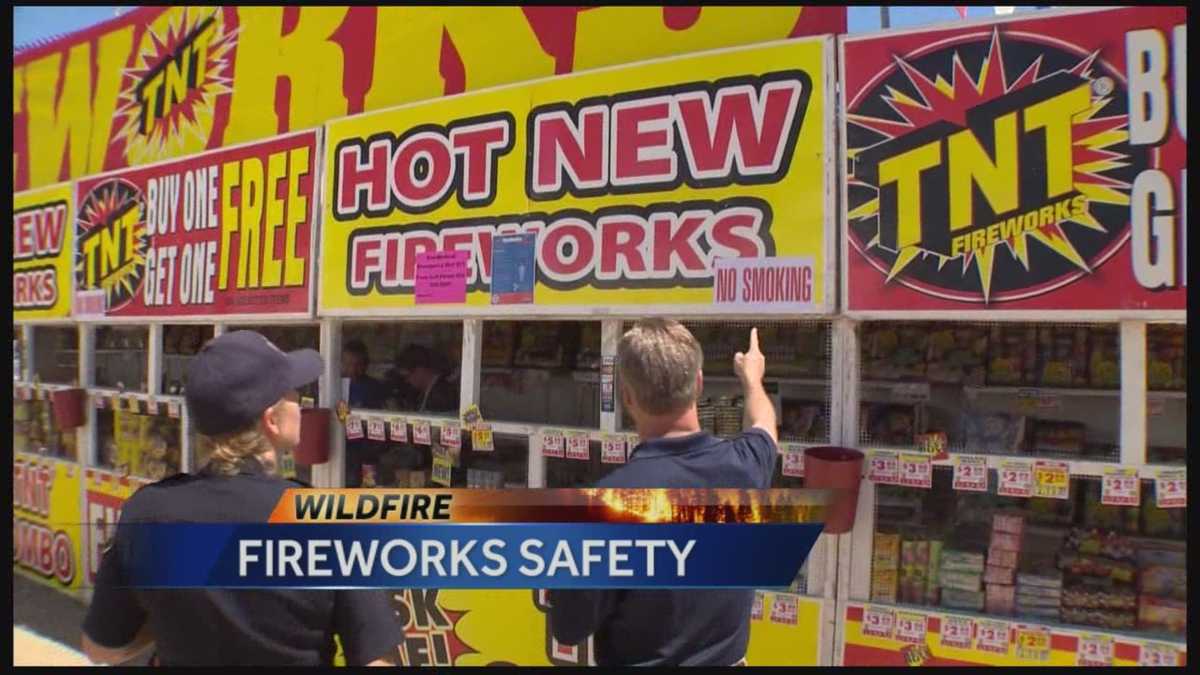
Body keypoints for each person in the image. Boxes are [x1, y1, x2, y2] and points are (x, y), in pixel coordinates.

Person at [81, 331, 401, 666]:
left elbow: (102, 648)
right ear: (272, 420)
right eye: (294, 392)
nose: (302, 401)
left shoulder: (148, 513)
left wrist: (166, 623)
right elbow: (377, 659)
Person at [547, 320, 778, 666]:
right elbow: (764, 426)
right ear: (698, 384)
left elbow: (568, 628)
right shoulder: (744, 467)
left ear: (627, 397)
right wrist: (752, 381)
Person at [342, 340, 390, 487]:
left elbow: (385, 418)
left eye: (358, 364)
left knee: (368, 489)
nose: (353, 369)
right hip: (341, 448)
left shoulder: (376, 388)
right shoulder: (334, 385)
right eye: (349, 364)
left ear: (366, 364)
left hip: (368, 451)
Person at [393, 344, 458, 414]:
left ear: (420, 370)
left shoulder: (442, 394)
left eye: (407, 376)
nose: (407, 380)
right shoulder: (426, 391)